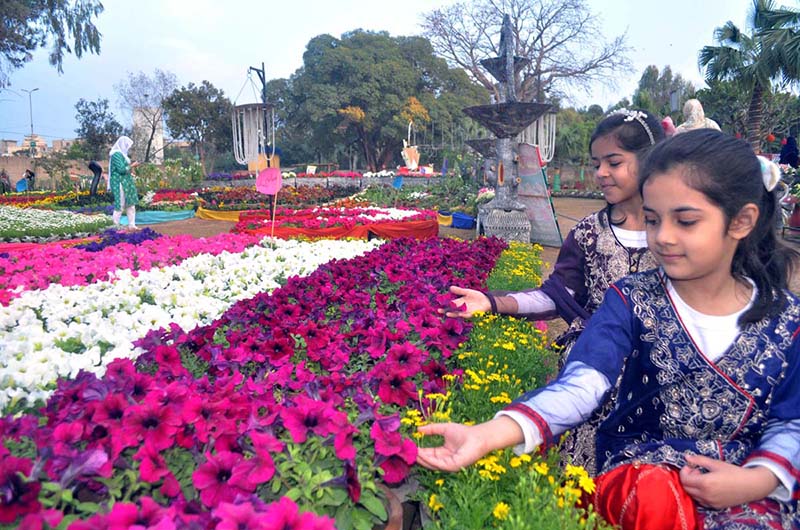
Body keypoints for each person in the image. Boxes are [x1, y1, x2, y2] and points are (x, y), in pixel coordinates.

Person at [417, 129, 800, 529]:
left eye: (685, 221)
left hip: (750, 485)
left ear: (741, 221)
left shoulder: (786, 321)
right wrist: (490, 433)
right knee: (653, 497)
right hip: (645, 478)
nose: (664, 237)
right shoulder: (632, 298)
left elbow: (791, 420)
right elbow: (584, 382)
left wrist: (758, 479)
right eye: (653, 220)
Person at [108, 136, 140, 230]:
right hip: (119, 182)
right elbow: (121, 169)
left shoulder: (123, 155)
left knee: (131, 204)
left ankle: (132, 225)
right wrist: (132, 165)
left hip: (126, 182)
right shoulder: (116, 155)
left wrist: (132, 168)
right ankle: (115, 226)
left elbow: (126, 168)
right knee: (120, 204)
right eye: (127, 145)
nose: (128, 148)